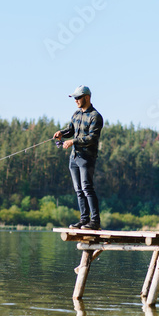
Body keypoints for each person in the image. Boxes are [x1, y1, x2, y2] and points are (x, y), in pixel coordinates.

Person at [53, 85, 103, 230]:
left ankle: (95, 222)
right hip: (74, 157)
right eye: (74, 98)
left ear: (87, 97)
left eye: (78, 97)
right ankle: (84, 220)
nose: (76, 100)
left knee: (87, 188)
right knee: (78, 190)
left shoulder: (95, 116)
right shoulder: (76, 114)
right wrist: (62, 133)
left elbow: (92, 138)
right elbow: (71, 130)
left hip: (87, 158)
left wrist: (72, 141)